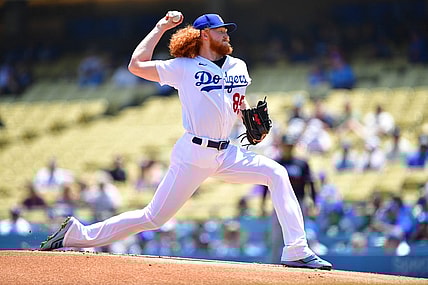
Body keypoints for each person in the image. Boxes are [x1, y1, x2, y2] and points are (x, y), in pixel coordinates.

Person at [40, 11, 332, 270]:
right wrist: (160, 27)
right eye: (220, 30)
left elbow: (236, 104)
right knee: (153, 218)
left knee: (277, 173)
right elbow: (136, 64)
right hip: (193, 154)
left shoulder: (238, 66)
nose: (226, 34)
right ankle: (77, 235)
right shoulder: (182, 66)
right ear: (205, 35)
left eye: (226, 30)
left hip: (226, 152)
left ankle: (296, 250)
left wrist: (247, 118)